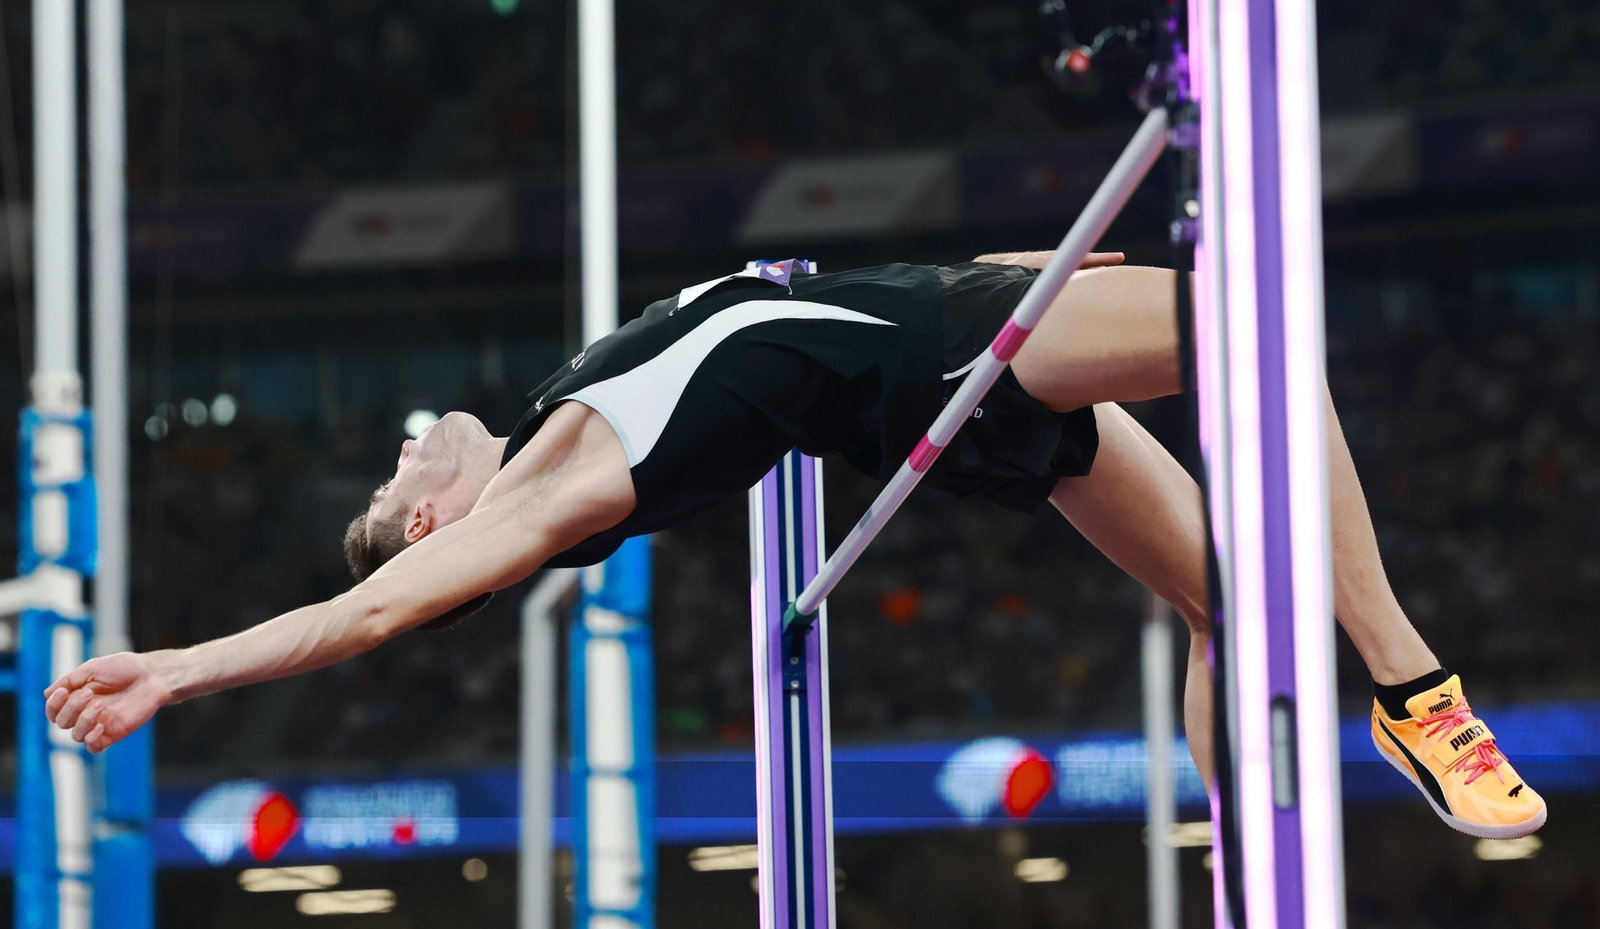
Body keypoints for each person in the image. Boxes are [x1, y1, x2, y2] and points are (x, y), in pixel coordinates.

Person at [43, 253, 1544, 839]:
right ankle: (1418, 692)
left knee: (1225, 603)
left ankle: (1249, 873)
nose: (409, 436)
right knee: (1264, 327)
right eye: (396, 471)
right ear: (431, 518)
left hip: (952, 347)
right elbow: (362, 621)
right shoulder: (535, 498)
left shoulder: (568, 400)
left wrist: (1029, 266)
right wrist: (175, 669)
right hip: (949, 361)